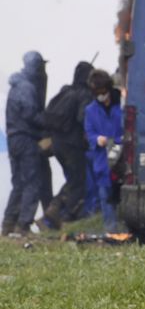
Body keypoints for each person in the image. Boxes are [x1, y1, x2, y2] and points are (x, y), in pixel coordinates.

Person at [39, 61, 94, 228]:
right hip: (73, 145)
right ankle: (64, 217)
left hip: (57, 144)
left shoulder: (65, 91)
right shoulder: (85, 94)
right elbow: (82, 118)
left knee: (72, 179)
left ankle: (52, 212)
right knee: (79, 181)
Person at [2, 51, 48, 236]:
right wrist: (48, 122)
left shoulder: (16, 85)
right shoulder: (27, 87)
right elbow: (30, 115)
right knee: (32, 182)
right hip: (26, 139)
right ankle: (23, 225)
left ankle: (8, 223)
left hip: (13, 139)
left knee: (18, 184)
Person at [83, 70, 123, 233]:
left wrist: (120, 139)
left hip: (122, 155)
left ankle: (125, 227)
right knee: (105, 195)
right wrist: (96, 139)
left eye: (103, 92)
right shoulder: (91, 110)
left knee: (121, 194)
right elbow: (89, 131)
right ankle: (111, 230)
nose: (101, 96)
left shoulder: (122, 103)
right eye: (97, 94)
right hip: (102, 158)